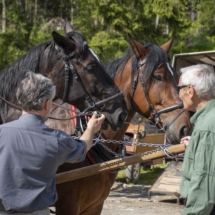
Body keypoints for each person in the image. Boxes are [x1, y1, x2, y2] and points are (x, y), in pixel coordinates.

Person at [0, 72, 105, 215]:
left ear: (20, 100)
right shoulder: (56, 139)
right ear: (47, 103)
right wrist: (91, 129)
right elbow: (83, 148)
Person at [178, 64, 215, 215]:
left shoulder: (208, 126)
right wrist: (195, 145)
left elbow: (203, 184)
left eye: (179, 87)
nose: (178, 93)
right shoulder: (208, 120)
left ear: (190, 91)